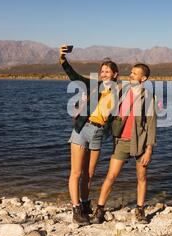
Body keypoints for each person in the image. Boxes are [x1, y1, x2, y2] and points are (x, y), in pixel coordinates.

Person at [59, 44, 119, 226]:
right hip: (82, 129)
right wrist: (62, 58)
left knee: (90, 173)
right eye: (102, 71)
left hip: (98, 133)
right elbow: (73, 75)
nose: (104, 73)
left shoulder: (119, 91)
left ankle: (85, 204)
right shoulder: (93, 85)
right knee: (76, 172)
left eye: (108, 71)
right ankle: (76, 209)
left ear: (115, 74)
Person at [92, 63, 157, 224]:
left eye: (135, 73)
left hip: (140, 143)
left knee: (141, 177)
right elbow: (104, 93)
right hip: (121, 141)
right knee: (111, 176)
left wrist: (149, 149)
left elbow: (151, 125)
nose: (131, 75)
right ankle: (100, 209)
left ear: (143, 78)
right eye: (131, 72)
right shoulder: (122, 91)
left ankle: (140, 210)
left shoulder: (148, 97)